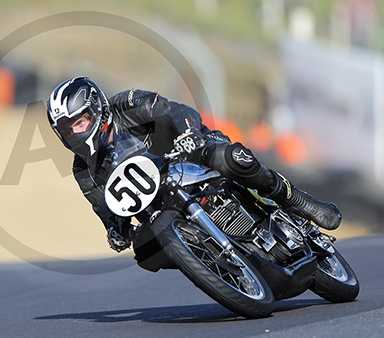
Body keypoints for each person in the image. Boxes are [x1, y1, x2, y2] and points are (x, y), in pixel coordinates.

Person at [46, 77, 342, 253]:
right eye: (67, 130)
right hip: (160, 199)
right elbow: (106, 209)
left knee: (231, 158)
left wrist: (188, 134)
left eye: (80, 122)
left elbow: (177, 111)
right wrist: (116, 230)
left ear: (96, 108)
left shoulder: (128, 104)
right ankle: (214, 262)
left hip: (190, 152)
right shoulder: (83, 169)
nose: (76, 133)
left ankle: (297, 200)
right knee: (145, 250)